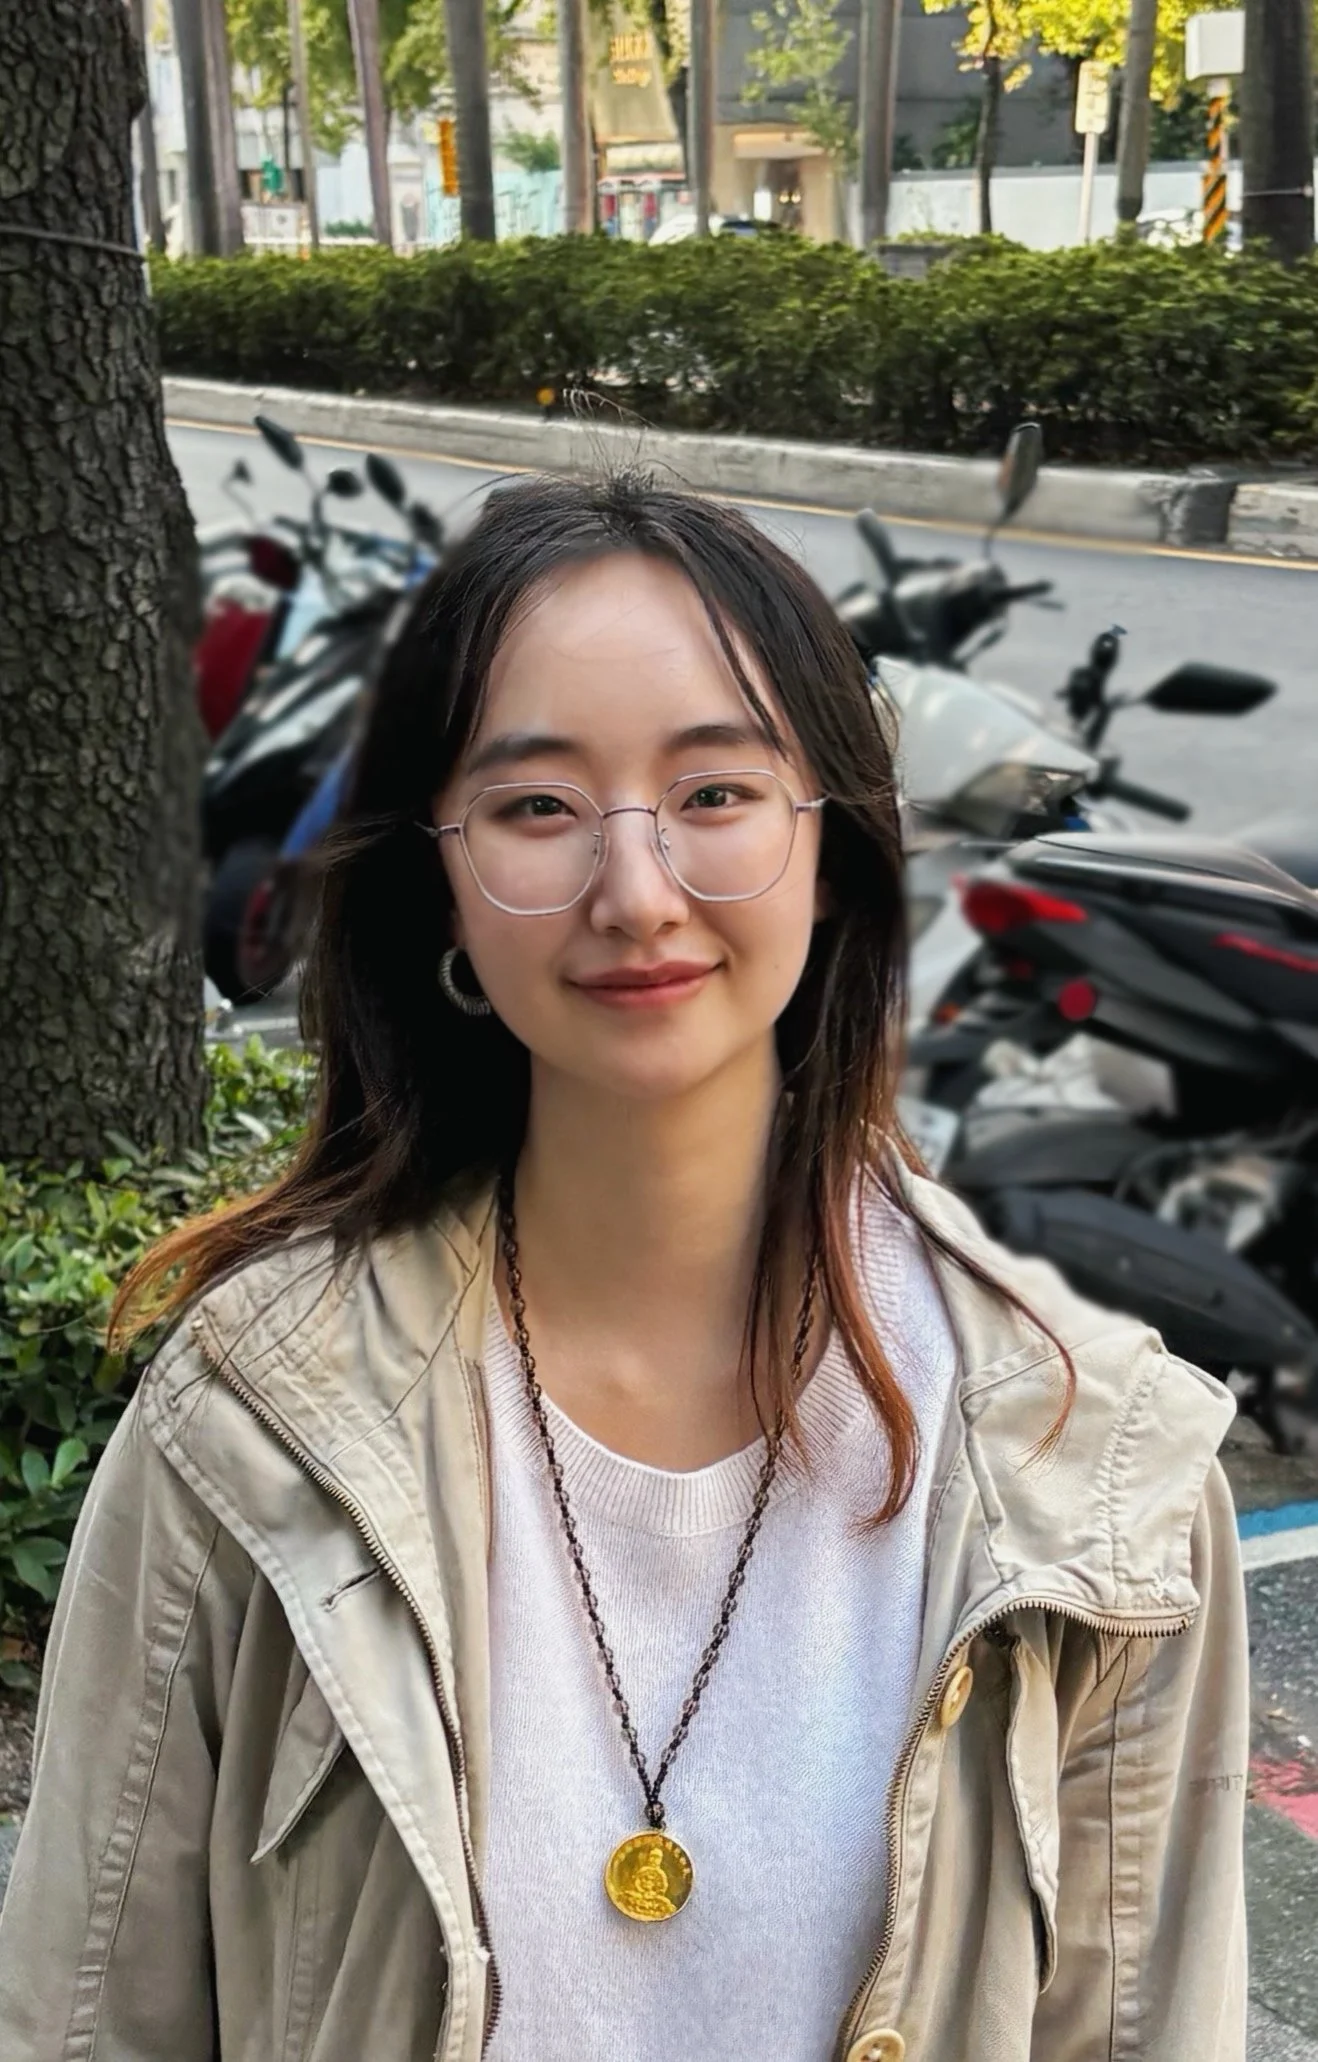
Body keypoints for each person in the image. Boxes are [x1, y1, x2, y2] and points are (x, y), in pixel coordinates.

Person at [0, 472, 1249, 2062]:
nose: (637, 890)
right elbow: (86, 2017)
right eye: (537, 806)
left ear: (833, 843)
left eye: (716, 792)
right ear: (439, 875)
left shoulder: (1096, 1466)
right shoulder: (250, 1428)